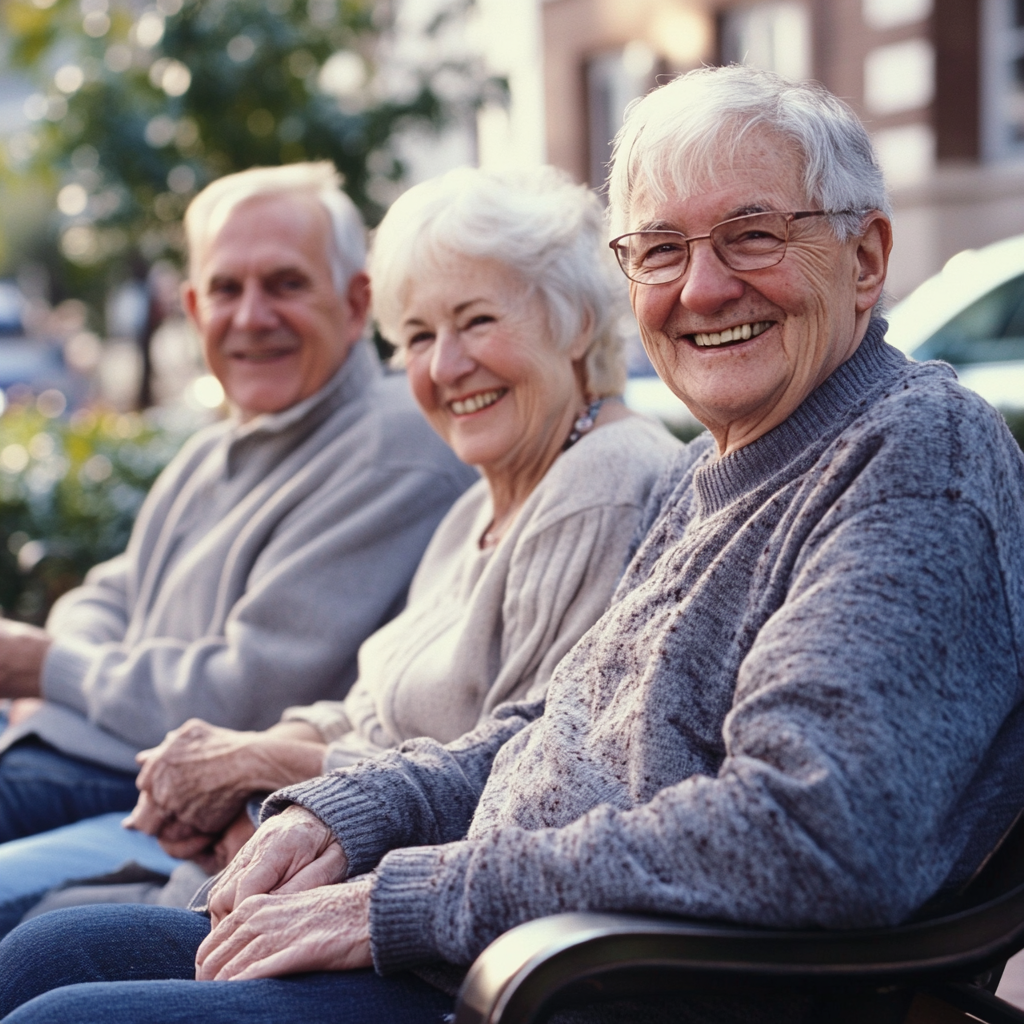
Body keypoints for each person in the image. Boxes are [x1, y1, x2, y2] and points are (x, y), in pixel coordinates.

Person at [4, 65, 1024, 1024]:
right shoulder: (736, 456)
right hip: (498, 942)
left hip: (577, 984)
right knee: (50, 954)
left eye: (752, 236)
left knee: (67, 1011)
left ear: (867, 259)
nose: (702, 290)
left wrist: (402, 898)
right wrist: (351, 808)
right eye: (660, 251)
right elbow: (557, 720)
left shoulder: (912, 457)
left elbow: (817, 833)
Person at [0, 165, 679, 931]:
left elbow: (514, 769)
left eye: (479, 322)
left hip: (400, 914)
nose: (446, 367)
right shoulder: (480, 505)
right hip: (290, 846)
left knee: (54, 948)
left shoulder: (602, 483)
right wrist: (258, 764)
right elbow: (365, 710)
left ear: (575, 323)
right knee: (57, 940)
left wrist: (260, 767)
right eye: (420, 335)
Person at [0, 162, 476, 847]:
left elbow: (242, 698)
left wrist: (47, 670)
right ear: (194, 310)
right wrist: (67, 673)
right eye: (226, 289)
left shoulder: (396, 446)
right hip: (87, 753)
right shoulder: (222, 443)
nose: (252, 317)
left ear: (354, 304)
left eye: (285, 284)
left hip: (168, 797)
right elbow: (109, 597)